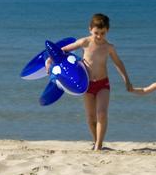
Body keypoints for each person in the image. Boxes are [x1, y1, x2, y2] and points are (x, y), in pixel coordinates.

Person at [56, 13, 134, 150]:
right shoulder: (85, 42)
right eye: (96, 33)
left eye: (102, 33)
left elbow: (118, 63)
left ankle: (98, 145)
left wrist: (126, 80)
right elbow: (64, 50)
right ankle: (96, 141)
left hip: (103, 84)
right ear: (90, 29)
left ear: (107, 31)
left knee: (102, 114)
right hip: (86, 85)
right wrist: (52, 59)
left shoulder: (109, 47)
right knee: (91, 117)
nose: (99, 36)